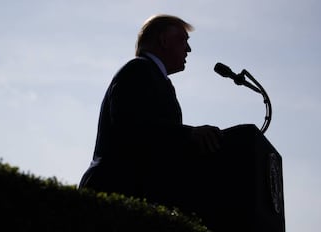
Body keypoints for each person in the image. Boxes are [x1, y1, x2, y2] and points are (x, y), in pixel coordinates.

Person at [79, 14, 222, 212]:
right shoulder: (137, 70)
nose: (188, 49)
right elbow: (131, 126)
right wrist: (190, 134)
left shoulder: (156, 78)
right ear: (163, 40)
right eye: (183, 40)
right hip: (113, 192)